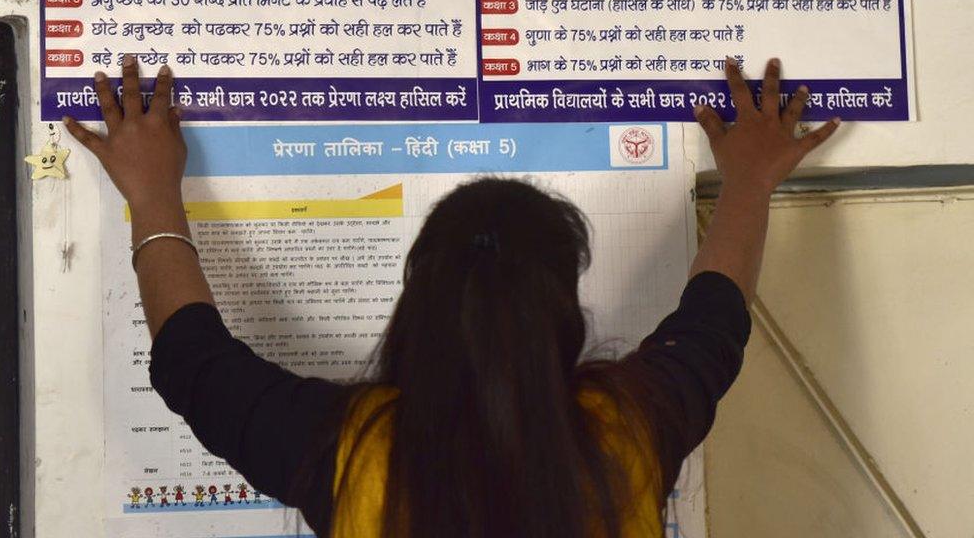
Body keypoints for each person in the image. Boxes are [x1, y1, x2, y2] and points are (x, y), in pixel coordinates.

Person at [64, 55, 840, 538]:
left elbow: (190, 360)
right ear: (566, 315)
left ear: (416, 302)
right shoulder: (628, 430)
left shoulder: (347, 450)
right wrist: (751, 178)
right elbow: (716, 320)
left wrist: (148, 187)